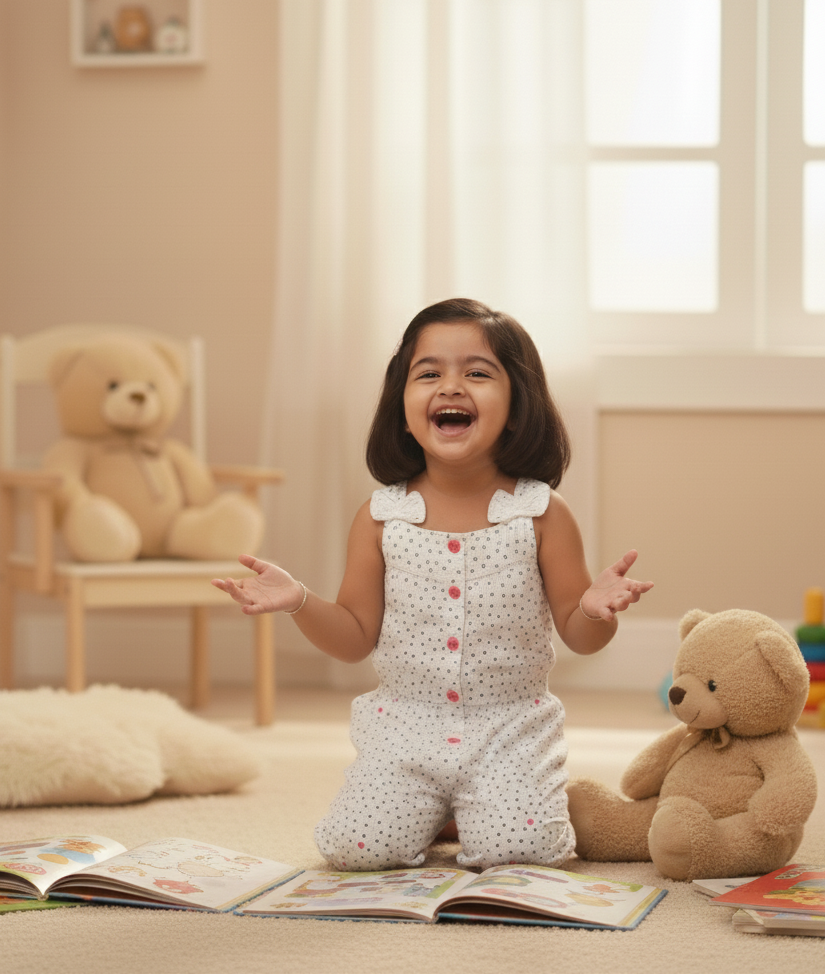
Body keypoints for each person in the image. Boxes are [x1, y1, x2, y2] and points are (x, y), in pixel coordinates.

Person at [213, 298, 652, 871]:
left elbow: (581, 637)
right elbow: (353, 638)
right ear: (402, 407)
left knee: (524, 852)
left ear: (518, 406)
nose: (451, 387)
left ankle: (491, 800)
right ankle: (447, 806)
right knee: (355, 850)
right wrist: (298, 599)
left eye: (477, 373)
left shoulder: (541, 512)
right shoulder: (380, 516)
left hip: (509, 728)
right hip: (405, 730)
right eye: (429, 374)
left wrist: (595, 609)